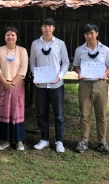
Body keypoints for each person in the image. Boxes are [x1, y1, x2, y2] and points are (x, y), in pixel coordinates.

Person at [72, 24, 109, 154]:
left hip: (101, 84)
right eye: (86, 34)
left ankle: (102, 141)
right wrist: (79, 72)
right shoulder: (79, 50)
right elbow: (76, 66)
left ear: (97, 33)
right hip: (85, 84)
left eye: (91, 33)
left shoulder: (105, 50)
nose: (89, 36)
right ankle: (84, 140)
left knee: (101, 115)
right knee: (85, 114)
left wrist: (105, 74)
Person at [30, 17, 70, 153]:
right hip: (41, 84)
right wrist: (35, 75)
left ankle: (59, 141)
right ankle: (44, 139)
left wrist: (60, 76)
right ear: (41, 28)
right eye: (45, 25)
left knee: (58, 114)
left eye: (50, 26)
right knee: (42, 113)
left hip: (56, 84)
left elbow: (65, 62)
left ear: (54, 28)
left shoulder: (60, 44)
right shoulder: (35, 44)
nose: (47, 28)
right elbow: (32, 62)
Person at [0, 26, 29, 151]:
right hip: (2, 85)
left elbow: (23, 69)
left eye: (13, 35)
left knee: (17, 112)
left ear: (16, 37)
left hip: (17, 85)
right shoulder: (0, 50)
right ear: (4, 37)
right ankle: (5, 140)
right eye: (8, 35)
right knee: (4, 112)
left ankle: (18, 140)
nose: (10, 37)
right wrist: (6, 83)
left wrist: (12, 83)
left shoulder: (22, 51)